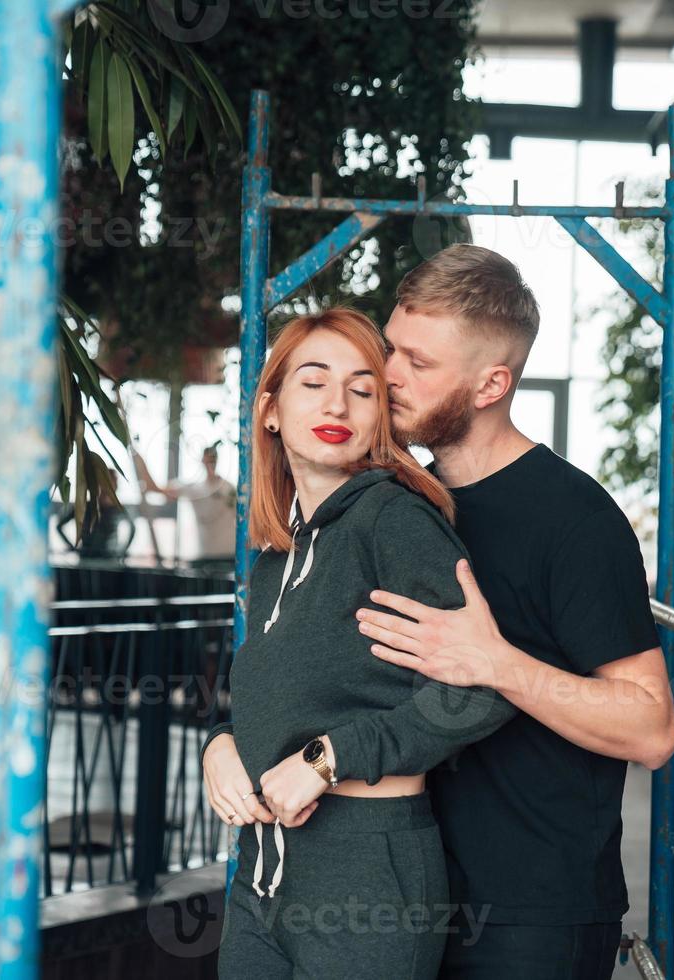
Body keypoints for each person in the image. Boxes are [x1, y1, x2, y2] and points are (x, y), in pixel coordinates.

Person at [341, 244, 674, 978]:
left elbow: (651, 728)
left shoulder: (574, 518)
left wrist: (497, 664)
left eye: (419, 364)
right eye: (390, 348)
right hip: (416, 892)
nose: (389, 375)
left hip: (533, 913)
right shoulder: (405, 505)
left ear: (493, 383)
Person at [200, 308, 516, 979]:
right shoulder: (272, 561)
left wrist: (326, 759)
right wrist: (219, 745)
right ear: (270, 410)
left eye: (362, 389)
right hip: (261, 875)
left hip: (366, 880)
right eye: (312, 383)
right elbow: (270, 700)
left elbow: (480, 693)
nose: (337, 403)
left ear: (380, 418)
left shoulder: (395, 523)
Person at [135, 443, 237, 566]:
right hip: (203, 557)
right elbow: (154, 488)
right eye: (207, 460)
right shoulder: (194, 489)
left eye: (212, 460)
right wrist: (138, 458)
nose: (209, 464)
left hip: (229, 556)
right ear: (202, 461)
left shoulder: (230, 489)